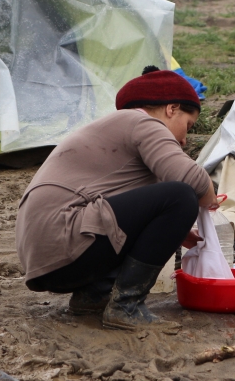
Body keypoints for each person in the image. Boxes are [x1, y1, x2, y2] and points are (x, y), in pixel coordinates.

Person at [15, 66, 218, 331]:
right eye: (187, 125)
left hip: (47, 257)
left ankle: (94, 296)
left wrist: (168, 230)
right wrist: (211, 197)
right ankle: (126, 307)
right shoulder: (142, 122)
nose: (184, 140)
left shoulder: (115, 130)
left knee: (174, 198)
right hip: (65, 241)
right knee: (181, 195)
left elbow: (123, 203)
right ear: (172, 108)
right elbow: (189, 179)